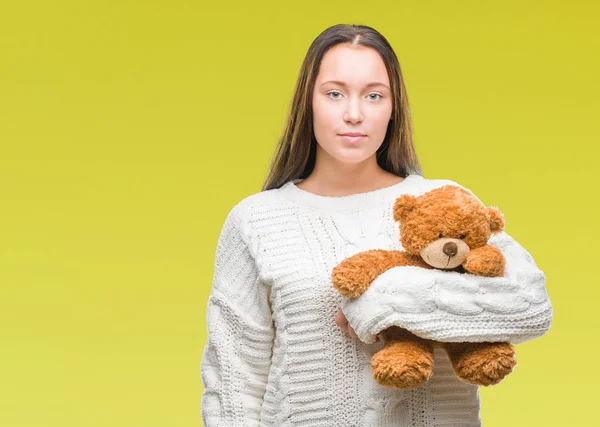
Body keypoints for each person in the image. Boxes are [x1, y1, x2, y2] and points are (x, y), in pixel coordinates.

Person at [200, 23, 553, 427]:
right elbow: (234, 381)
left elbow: (530, 307)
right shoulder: (256, 219)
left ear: (393, 107)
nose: (354, 113)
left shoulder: (446, 203)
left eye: (374, 95)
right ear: (308, 103)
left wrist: (384, 302)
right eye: (334, 93)